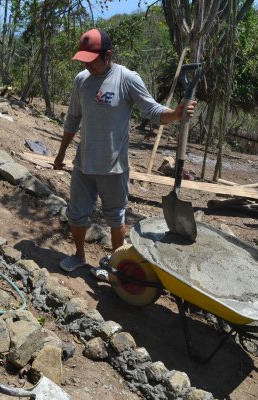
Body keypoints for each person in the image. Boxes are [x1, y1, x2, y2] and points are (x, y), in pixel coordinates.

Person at [55, 28, 196, 280]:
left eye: (92, 59)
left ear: (108, 55)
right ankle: (79, 256)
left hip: (113, 168)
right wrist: (61, 153)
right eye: (84, 60)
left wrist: (175, 114)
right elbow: (73, 118)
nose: (87, 65)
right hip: (83, 164)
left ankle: (115, 265)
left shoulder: (126, 78)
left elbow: (152, 110)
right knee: (76, 214)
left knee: (115, 218)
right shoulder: (81, 81)